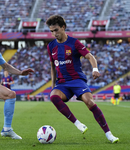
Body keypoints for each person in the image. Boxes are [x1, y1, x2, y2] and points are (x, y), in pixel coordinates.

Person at [45, 15, 119, 143]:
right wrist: (53, 86)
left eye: (56, 30)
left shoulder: (74, 42)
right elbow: (52, 67)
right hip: (62, 83)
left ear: (63, 27)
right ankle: (78, 124)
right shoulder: (51, 46)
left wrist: (95, 69)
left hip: (77, 80)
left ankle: (109, 135)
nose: (54, 33)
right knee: (53, 96)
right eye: (51, 31)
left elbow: (90, 57)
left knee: (90, 102)